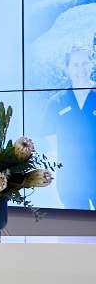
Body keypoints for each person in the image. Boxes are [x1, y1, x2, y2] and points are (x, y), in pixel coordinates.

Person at [40, 42, 96, 210]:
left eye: (85, 63)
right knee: (77, 231)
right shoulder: (57, 101)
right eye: (75, 64)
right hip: (71, 181)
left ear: (92, 64)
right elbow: (50, 135)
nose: (81, 69)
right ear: (67, 68)